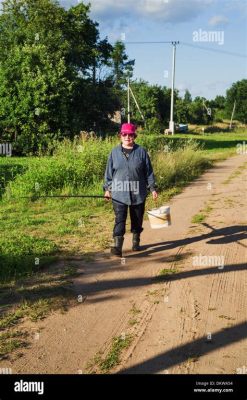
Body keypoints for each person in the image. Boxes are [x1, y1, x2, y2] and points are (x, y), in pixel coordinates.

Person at [103, 123, 158, 257]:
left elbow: (149, 172)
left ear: (134, 136)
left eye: (130, 134)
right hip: (119, 193)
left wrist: (152, 188)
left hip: (138, 192)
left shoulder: (141, 152)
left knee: (137, 218)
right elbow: (109, 174)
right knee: (120, 219)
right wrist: (107, 189)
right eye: (124, 134)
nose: (127, 137)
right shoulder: (114, 152)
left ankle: (136, 240)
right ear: (120, 136)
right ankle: (117, 247)